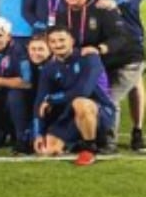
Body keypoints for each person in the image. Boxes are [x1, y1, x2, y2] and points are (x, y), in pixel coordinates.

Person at [52, 0, 142, 152]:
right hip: (97, 64)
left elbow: (121, 37)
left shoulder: (102, 10)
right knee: (90, 99)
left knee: (109, 98)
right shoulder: (62, 16)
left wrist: (100, 48)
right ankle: (88, 136)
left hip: (125, 61)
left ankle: (109, 142)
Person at [81, 0, 144, 151]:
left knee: (134, 84)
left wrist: (115, 1)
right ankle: (106, 133)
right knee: (110, 82)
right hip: (103, 35)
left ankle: (137, 130)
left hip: (129, 33)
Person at [34, 26, 115, 164]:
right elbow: (40, 100)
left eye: (62, 40)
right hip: (69, 114)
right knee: (48, 150)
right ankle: (77, 142)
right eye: (53, 41)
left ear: (72, 41)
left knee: (80, 102)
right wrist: (38, 133)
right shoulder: (49, 68)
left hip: (100, 111)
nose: (58, 44)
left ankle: (90, 148)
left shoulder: (89, 58)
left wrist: (53, 99)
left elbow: (83, 91)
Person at [0, 17, 35, 153]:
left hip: (19, 102)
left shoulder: (19, 51)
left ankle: (22, 137)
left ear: (9, 36)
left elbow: (27, 82)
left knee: (14, 94)